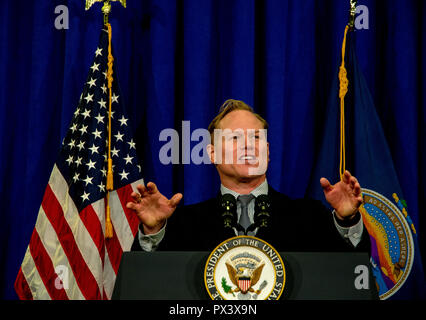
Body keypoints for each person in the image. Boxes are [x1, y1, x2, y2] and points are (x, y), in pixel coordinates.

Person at [128, 100, 370, 252]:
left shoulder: (310, 217)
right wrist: (153, 231)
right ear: (212, 154)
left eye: (256, 137)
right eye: (235, 138)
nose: (248, 146)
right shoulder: (183, 224)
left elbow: (351, 275)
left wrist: (347, 221)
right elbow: (151, 282)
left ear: (267, 150)